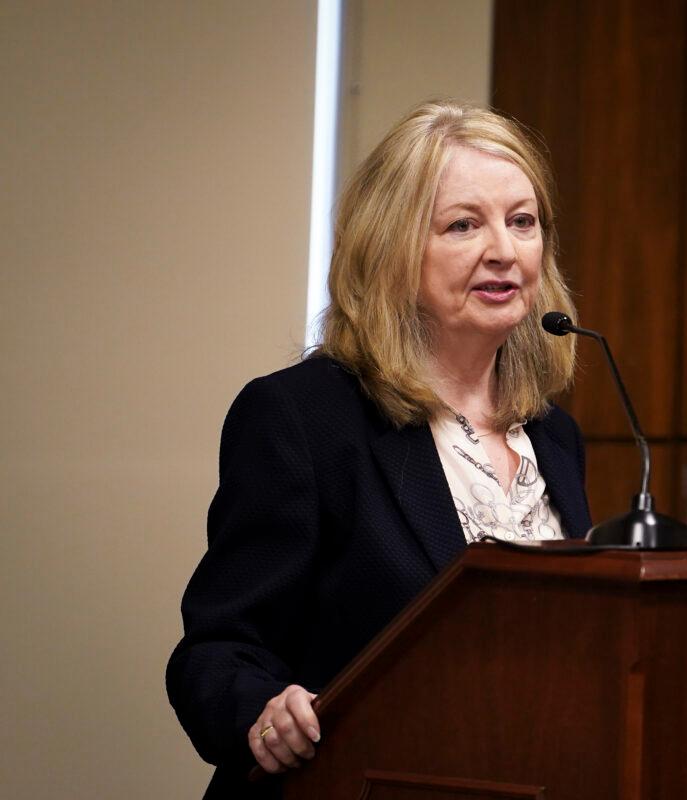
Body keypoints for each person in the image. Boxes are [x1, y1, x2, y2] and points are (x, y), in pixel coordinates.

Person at [166, 100, 592, 798]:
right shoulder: (303, 420)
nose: (505, 251)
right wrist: (262, 712)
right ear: (391, 249)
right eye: (463, 224)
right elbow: (216, 652)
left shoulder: (553, 435)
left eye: (523, 221)